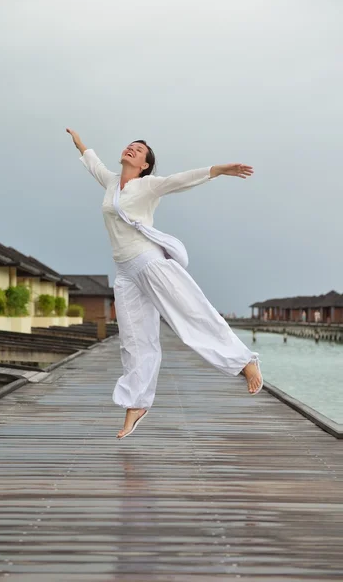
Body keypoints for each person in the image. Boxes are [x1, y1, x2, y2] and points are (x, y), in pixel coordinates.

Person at [66, 129, 263, 439]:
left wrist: (220, 170)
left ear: (145, 164)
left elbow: (182, 179)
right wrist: (78, 141)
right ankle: (137, 403)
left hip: (149, 262)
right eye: (129, 146)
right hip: (125, 272)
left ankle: (244, 361)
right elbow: (92, 162)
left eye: (138, 150)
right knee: (134, 339)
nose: (131, 149)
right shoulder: (109, 182)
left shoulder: (149, 186)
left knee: (192, 314)